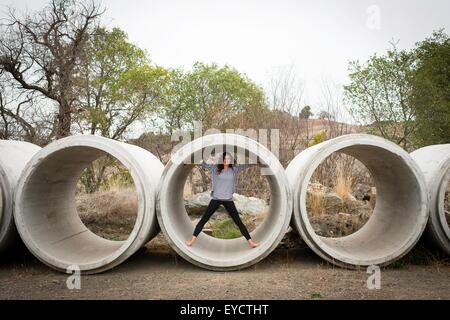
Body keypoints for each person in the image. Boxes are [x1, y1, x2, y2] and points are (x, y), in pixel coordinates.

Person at [185, 152, 260, 248]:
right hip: (216, 199)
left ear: (230, 160)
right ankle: (191, 241)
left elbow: (245, 165)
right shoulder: (215, 169)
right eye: (224, 158)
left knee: (238, 222)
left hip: (228, 200)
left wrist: (257, 162)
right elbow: (202, 163)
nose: (226, 160)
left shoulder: (234, 170)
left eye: (228, 159)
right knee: (204, 220)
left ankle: (251, 243)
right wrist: (191, 160)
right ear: (222, 160)